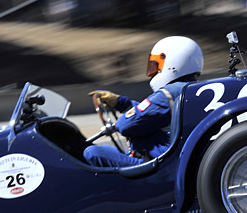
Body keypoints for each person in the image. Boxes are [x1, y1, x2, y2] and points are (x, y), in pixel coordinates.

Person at [84, 36, 204, 167]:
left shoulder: (167, 94)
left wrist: (116, 125)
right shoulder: (192, 90)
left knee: (92, 152)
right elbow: (150, 114)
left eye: (156, 65)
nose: (153, 72)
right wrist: (121, 103)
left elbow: (126, 125)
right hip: (177, 162)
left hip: (156, 165)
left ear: (172, 63)